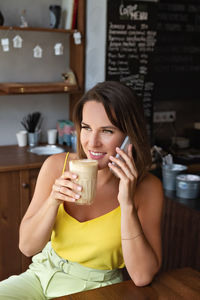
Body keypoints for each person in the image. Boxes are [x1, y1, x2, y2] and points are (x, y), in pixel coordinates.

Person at [0, 81, 163, 299]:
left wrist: (127, 204)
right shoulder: (56, 165)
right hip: (40, 275)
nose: (92, 143)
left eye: (106, 131)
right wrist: (53, 201)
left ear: (129, 137)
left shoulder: (148, 188)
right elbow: (27, 247)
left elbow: (142, 276)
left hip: (97, 288)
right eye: (86, 128)